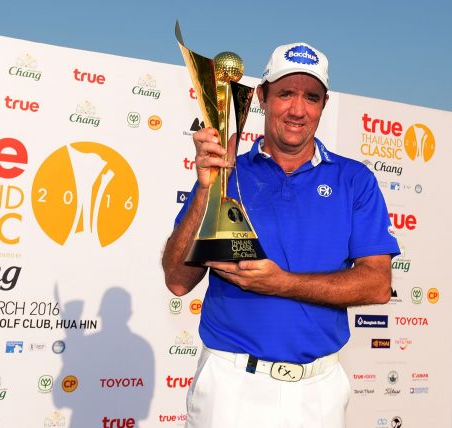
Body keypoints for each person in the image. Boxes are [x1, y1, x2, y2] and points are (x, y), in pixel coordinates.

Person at [162, 42, 400, 428]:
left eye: (311, 96)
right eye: (285, 93)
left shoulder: (355, 180)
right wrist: (206, 187)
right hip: (231, 385)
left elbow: (376, 285)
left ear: (324, 104)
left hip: (318, 391)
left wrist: (281, 283)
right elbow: (177, 280)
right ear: (261, 97)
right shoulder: (226, 173)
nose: (297, 109)